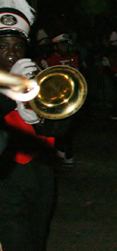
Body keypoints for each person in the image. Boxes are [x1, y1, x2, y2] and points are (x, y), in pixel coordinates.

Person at [0, 0, 70, 251]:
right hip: (4, 176)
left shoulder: (39, 74)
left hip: (40, 172)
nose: (11, 54)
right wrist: (9, 91)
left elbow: (61, 126)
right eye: (3, 47)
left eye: (16, 46)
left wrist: (38, 111)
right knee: (13, 247)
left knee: (34, 241)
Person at [45, 33, 81, 165]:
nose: (65, 47)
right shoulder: (49, 60)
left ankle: (68, 153)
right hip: (56, 98)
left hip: (71, 97)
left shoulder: (74, 58)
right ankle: (60, 149)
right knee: (58, 126)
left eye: (66, 44)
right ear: (56, 46)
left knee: (69, 127)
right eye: (62, 44)